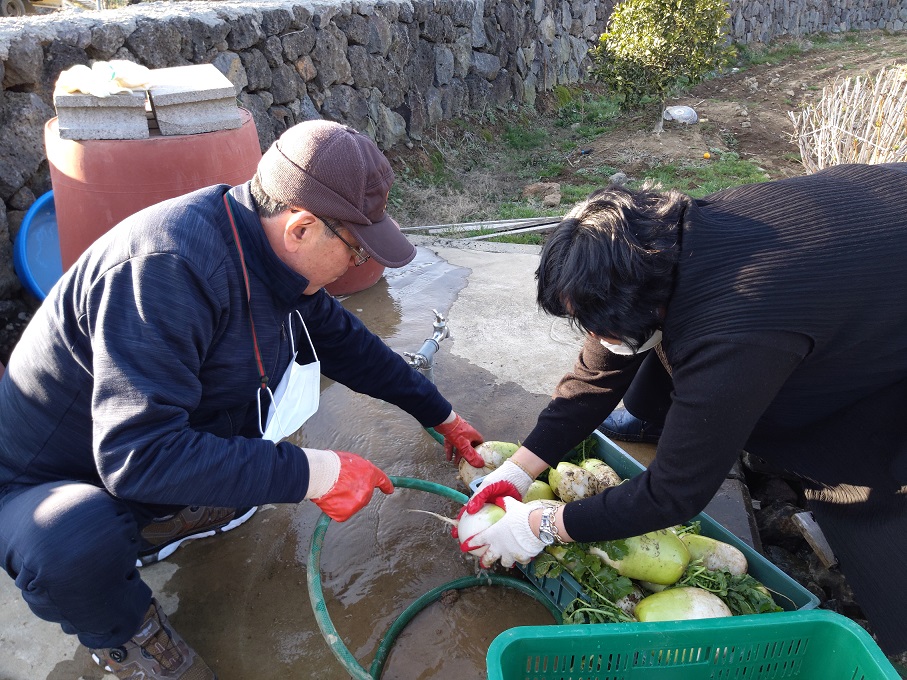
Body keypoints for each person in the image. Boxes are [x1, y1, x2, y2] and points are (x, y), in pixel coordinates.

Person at [0, 119, 485, 680]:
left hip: (132, 450)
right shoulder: (167, 269)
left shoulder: (270, 255)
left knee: (243, 422)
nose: (359, 266)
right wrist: (315, 471)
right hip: (48, 479)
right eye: (355, 251)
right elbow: (139, 457)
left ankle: (165, 513)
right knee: (75, 542)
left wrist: (440, 414)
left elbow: (348, 345)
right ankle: (127, 638)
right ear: (302, 228)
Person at [465, 163, 907, 658]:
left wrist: (545, 525)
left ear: (645, 305)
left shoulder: (735, 328)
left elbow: (675, 493)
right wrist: (521, 468)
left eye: (599, 324)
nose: (594, 339)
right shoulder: (658, 242)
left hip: (885, 301)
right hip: (860, 253)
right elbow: (597, 371)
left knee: (855, 469)